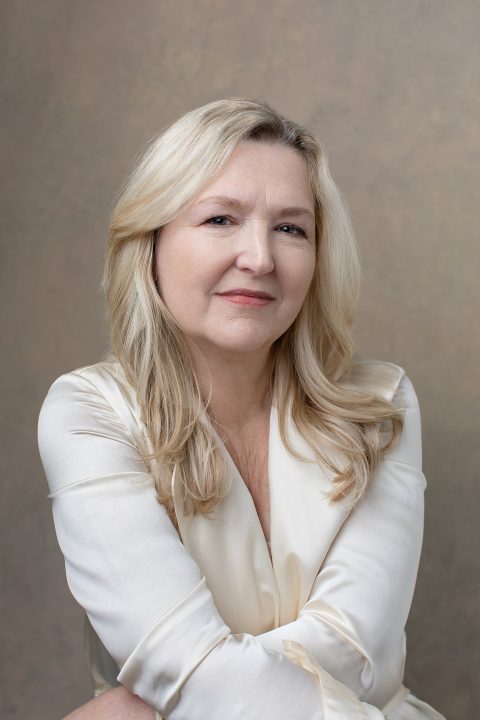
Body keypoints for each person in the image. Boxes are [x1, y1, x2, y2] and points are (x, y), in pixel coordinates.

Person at [37, 98, 446, 720]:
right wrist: (201, 684)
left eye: (291, 228)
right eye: (220, 220)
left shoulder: (379, 405)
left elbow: (354, 654)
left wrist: (193, 696)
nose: (259, 258)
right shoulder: (88, 412)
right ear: (151, 241)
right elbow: (188, 666)